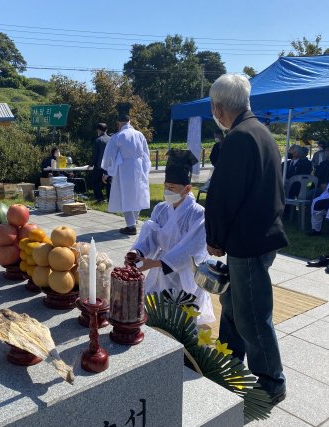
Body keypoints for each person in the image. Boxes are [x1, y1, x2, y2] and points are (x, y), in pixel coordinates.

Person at [205, 74, 288, 404]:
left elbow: (224, 195)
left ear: (219, 107)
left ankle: (271, 379)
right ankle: (228, 359)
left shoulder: (240, 136)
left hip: (249, 239)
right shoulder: (260, 131)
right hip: (260, 232)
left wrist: (215, 238)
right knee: (233, 304)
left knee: (252, 312)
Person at [130, 150, 215, 325]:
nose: (168, 191)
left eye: (173, 188)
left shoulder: (198, 214)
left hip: (185, 274)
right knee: (159, 315)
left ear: (187, 188)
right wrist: (137, 252)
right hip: (162, 270)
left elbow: (191, 249)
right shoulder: (161, 209)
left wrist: (155, 263)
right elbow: (150, 236)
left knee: (183, 322)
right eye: (166, 186)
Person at [101, 112, 151, 235]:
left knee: (126, 196)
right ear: (130, 122)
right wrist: (145, 169)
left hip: (125, 169)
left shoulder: (118, 136)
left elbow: (110, 156)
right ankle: (133, 220)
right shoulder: (140, 135)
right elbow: (146, 154)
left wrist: (107, 172)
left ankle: (131, 226)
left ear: (119, 123)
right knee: (138, 194)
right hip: (139, 167)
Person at [91, 123, 111, 202]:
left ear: (98, 130)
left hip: (99, 165)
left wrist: (92, 163)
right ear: (106, 130)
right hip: (109, 165)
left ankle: (100, 198)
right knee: (109, 182)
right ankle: (110, 199)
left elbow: (95, 155)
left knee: (96, 182)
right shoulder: (111, 139)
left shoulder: (98, 140)